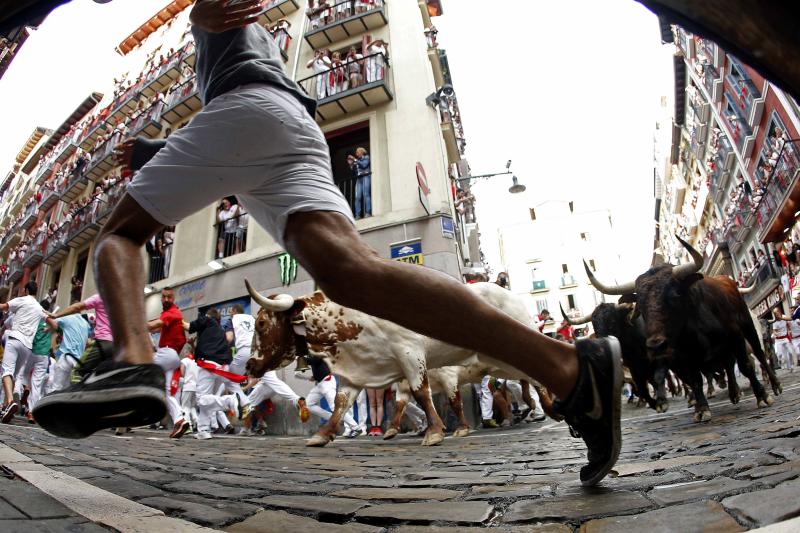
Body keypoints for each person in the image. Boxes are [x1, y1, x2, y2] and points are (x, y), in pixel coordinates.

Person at [35, 1, 623, 488]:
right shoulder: (268, 43)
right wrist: (152, 150)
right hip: (291, 130)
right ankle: (570, 368)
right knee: (353, 276)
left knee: (119, 233)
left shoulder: (233, 30)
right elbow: (235, 115)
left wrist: (204, 18)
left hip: (246, 114)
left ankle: (134, 364)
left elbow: (226, 57)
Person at [147, 287, 191, 438]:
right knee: (168, 393)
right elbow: (156, 327)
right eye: (164, 297)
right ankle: (180, 420)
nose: (166, 300)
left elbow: (153, 326)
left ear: (174, 299)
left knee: (140, 371)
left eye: (169, 297)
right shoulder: (171, 314)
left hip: (166, 353)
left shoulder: (173, 312)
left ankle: (126, 417)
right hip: (172, 357)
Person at [0, 281, 44, 423]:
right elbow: (51, 320)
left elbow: (4, 306)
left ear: (25, 290)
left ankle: (11, 401)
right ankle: (6, 407)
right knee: (13, 376)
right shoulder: (39, 308)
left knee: (6, 372)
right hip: (27, 347)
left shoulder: (22, 300)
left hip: (15, 339)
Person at [51, 294, 113, 378]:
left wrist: (55, 316)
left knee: (76, 374)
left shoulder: (100, 297)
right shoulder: (85, 324)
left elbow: (53, 323)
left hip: (100, 343)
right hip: (115, 346)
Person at [298, 355, 361, 437]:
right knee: (308, 405)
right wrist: (315, 376)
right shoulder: (312, 350)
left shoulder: (318, 349)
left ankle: (356, 427)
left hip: (327, 382)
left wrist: (300, 358)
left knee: (335, 407)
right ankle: (333, 419)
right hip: (320, 383)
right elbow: (315, 364)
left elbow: (314, 360)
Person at [45, 309, 91, 394]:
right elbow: (88, 341)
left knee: (56, 388)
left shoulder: (68, 318)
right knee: (67, 391)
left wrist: (45, 318)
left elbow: (54, 324)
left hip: (66, 358)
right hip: (77, 361)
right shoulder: (86, 324)